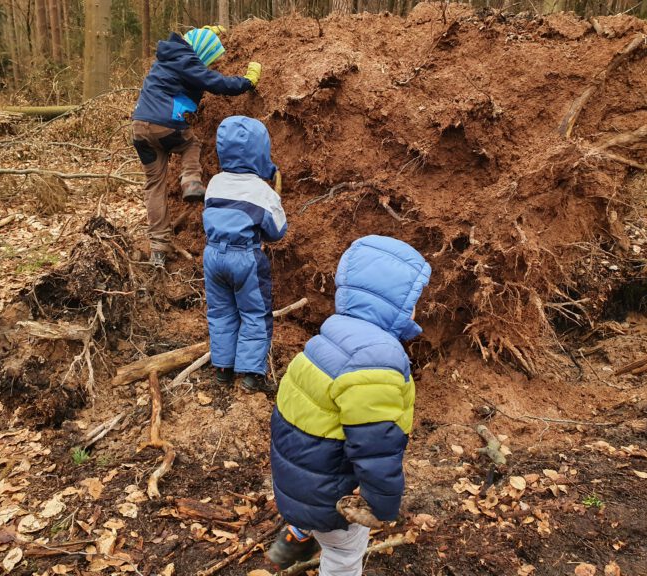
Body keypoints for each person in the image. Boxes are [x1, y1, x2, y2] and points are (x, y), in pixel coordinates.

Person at [266, 235, 432, 575]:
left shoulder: (331, 336)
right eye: (413, 299)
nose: (416, 307)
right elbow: (376, 449)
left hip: (300, 476)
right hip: (333, 490)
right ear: (397, 303)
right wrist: (382, 505)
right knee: (343, 556)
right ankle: (311, 536)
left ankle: (297, 535)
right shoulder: (377, 359)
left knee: (316, 511)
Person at [132, 26, 262, 268]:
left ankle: (158, 247)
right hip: (165, 124)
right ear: (200, 55)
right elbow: (215, 82)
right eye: (209, 60)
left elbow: (195, 42)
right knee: (191, 142)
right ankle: (191, 181)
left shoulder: (169, 57)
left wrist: (208, 31)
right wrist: (246, 82)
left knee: (154, 186)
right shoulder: (188, 63)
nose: (210, 66)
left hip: (140, 129)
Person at [203, 115, 287, 393]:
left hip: (213, 256)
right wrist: (276, 197)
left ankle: (223, 371)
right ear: (261, 152)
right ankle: (251, 375)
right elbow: (277, 232)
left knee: (221, 312)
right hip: (245, 258)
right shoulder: (262, 192)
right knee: (254, 313)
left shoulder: (215, 182)